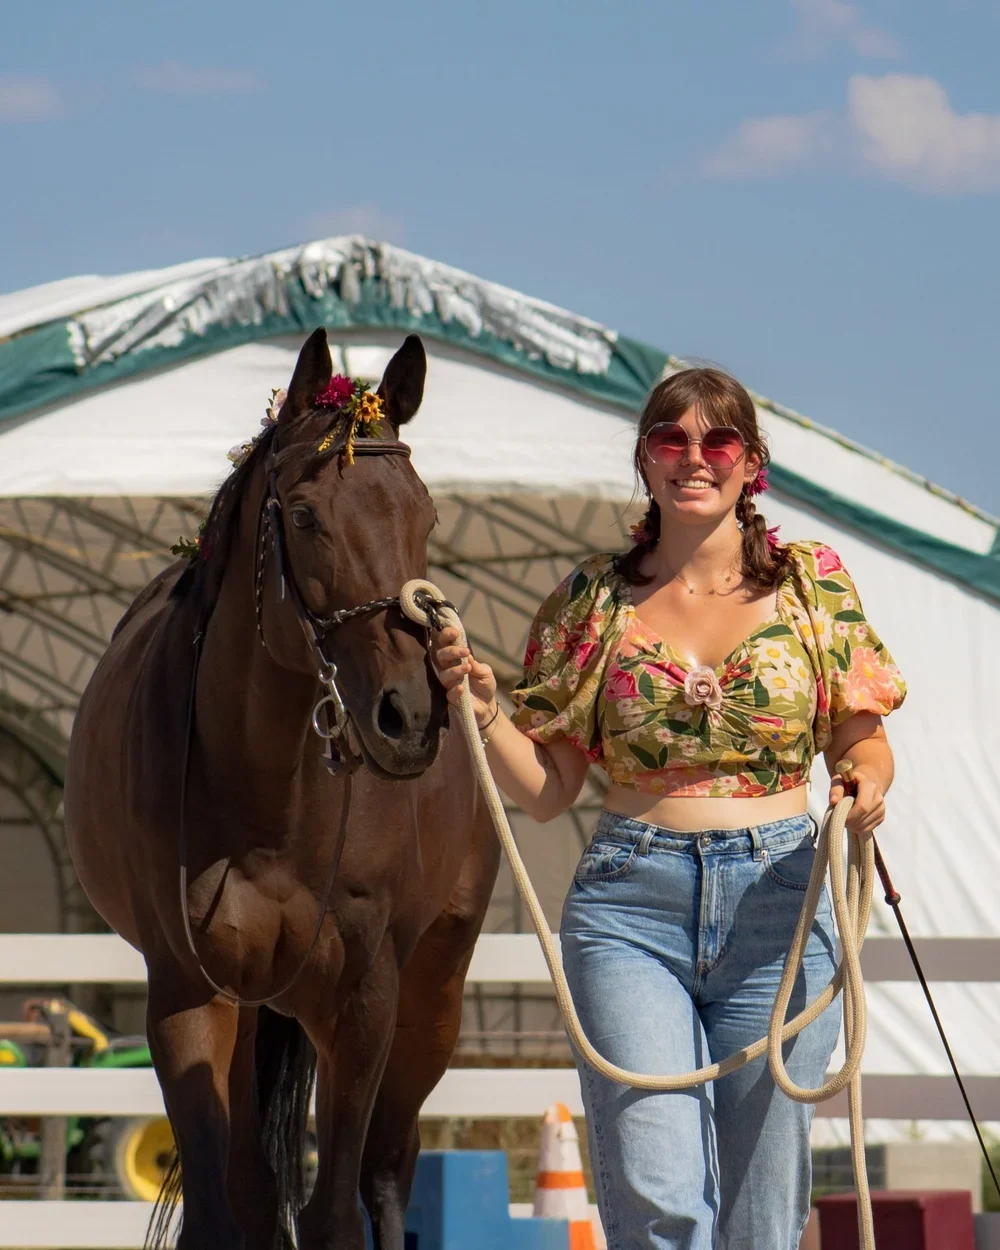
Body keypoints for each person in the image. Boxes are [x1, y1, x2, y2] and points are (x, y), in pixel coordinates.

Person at [431, 367, 905, 1250]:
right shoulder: (592, 602)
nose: (694, 459)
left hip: (784, 904)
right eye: (670, 441)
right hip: (630, 906)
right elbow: (546, 791)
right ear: (644, 463)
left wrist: (866, 783)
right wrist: (483, 706)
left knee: (763, 1210)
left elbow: (861, 734)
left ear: (750, 464)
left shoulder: (813, 585)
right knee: (659, 1199)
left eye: (717, 441)